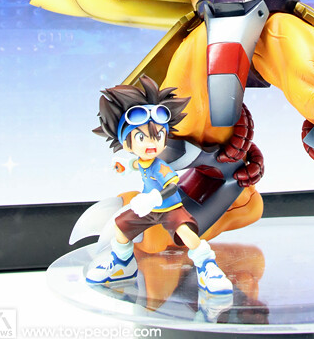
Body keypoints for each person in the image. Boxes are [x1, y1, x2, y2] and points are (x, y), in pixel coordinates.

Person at [85, 76, 233, 295]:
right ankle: (123, 263)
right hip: (149, 209)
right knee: (120, 227)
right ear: (127, 143)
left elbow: (172, 186)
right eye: (142, 138)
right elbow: (138, 164)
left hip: (170, 208)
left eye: (158, 136)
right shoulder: (143, 161)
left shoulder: (160, 166)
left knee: (188, 235)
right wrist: (126, 165)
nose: (151, 143)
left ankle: (208, 269)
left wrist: (153, 198)